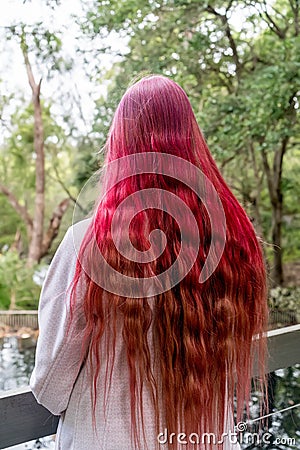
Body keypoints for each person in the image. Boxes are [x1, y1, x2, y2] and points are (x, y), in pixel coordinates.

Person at [30, 75, 268, 449]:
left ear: (120, 149)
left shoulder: (86, 247)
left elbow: (51, 386)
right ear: (193, 144)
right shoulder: (234, 245)